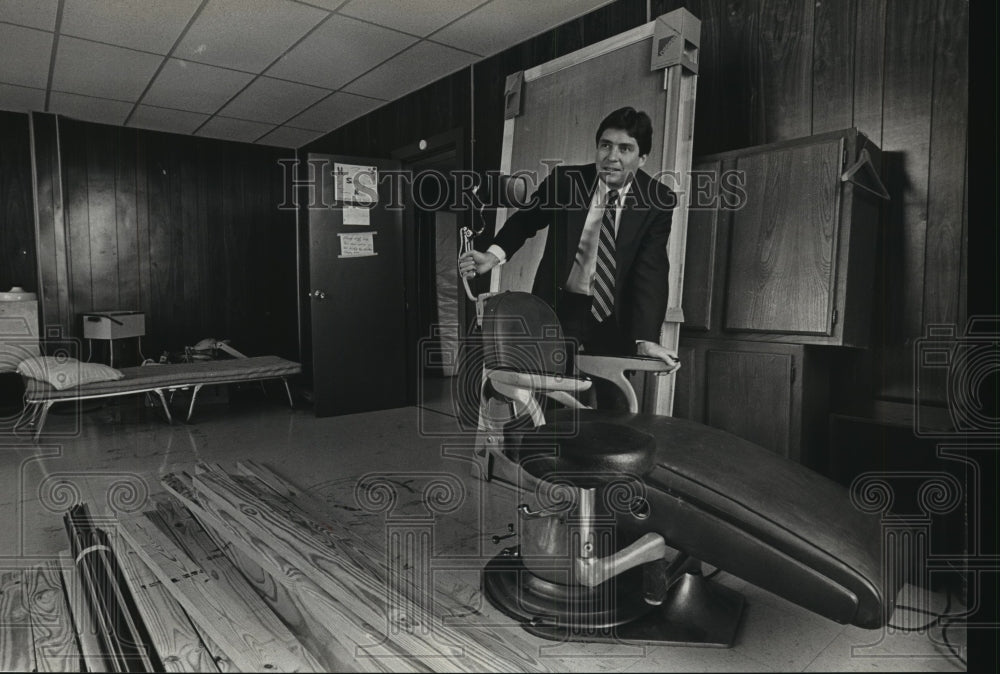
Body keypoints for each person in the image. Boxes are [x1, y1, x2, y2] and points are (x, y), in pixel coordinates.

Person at [459, 106, 680, 373]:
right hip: (561, 307)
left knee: (613, 400)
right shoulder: (566, 182)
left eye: (625, 149)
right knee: (548, 390)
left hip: (614, 315)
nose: (612, 157)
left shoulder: (658, 199)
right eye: (605, 145)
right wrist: (492, 256)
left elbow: (651, 270)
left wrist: (646, 339)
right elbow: (526, 220)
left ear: (642, 157)